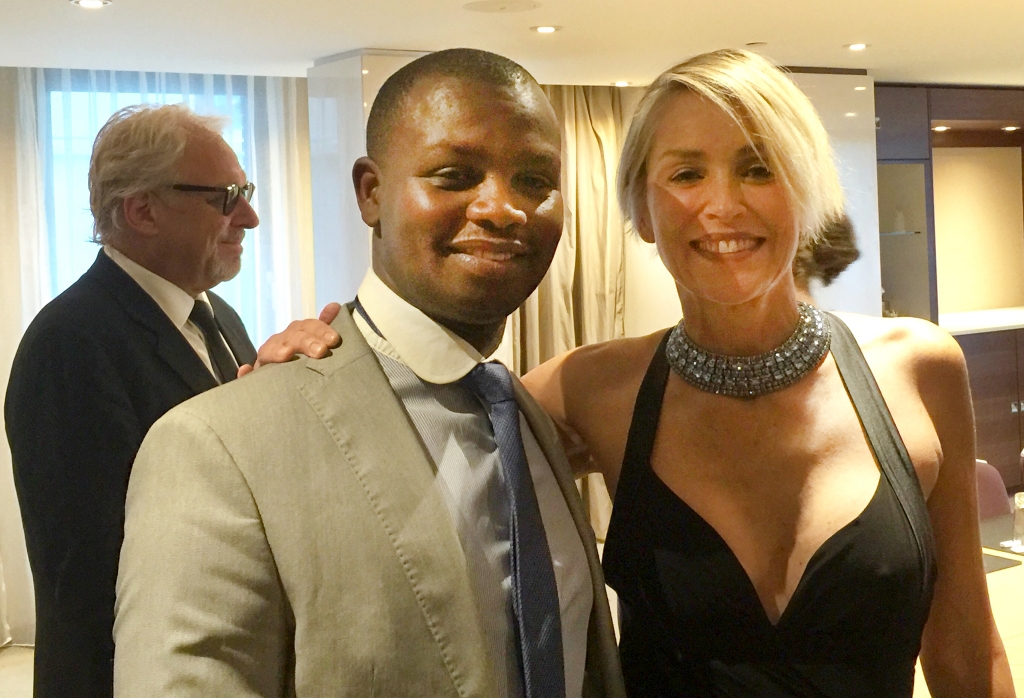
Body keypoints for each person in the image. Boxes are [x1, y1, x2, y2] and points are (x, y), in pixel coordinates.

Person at [113, 49, 624, 698]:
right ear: (372, 193)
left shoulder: (529, 417)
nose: (502, 208)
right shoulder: (218, 445)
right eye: (455, 175)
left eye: (534, 179)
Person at [520, 49, 1014, 696]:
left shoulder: (919, 367)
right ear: (640, 208)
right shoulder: (591, 391)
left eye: (758, 168)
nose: (723, 204)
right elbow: (428, 443)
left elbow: (965, 653)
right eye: (687, 173)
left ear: (806, 192)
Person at [4, 103, 259, 698]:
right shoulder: (71, 341)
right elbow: (94, 570)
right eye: (225, 197)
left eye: (245, 192)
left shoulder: (220, 317)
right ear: (142, 210)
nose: (249, 216)